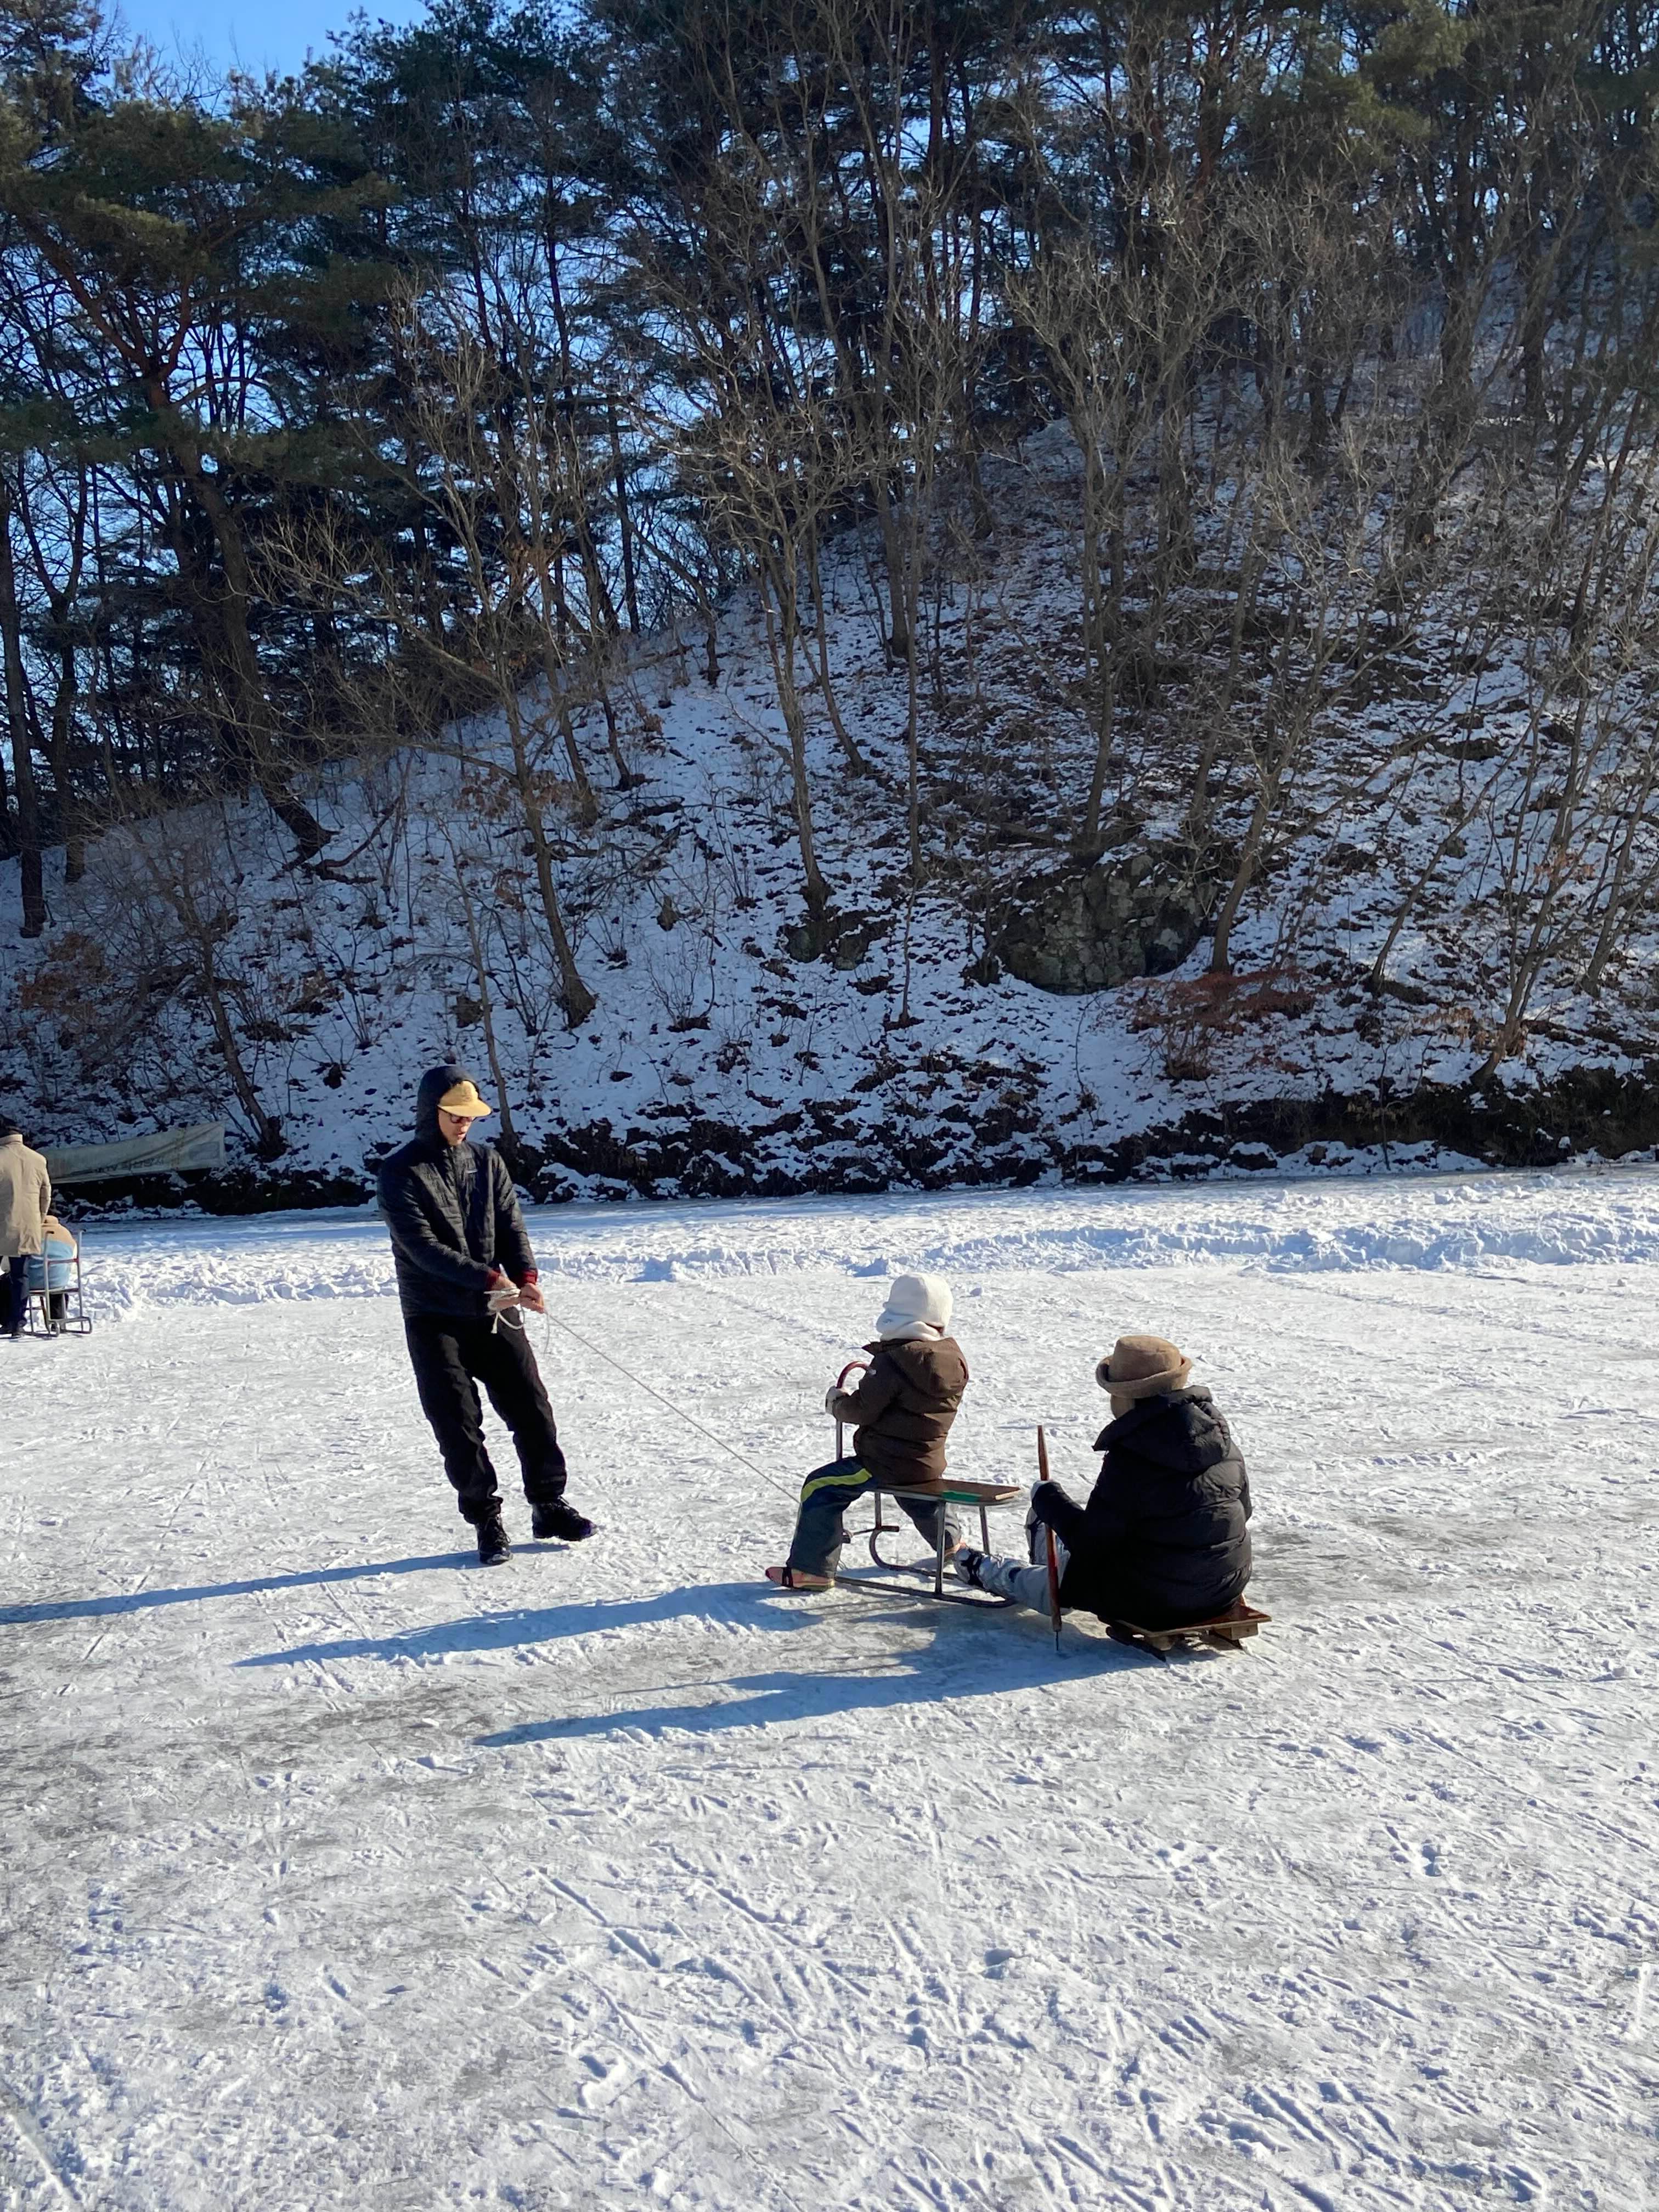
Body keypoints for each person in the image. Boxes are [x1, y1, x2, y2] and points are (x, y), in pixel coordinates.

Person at [377, 1064, 592, 1566]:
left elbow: (512, 1227)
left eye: (469, 1116)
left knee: (532, 1408)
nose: (463, 1124)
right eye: (454, 1115)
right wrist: (493, 1279)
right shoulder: (400, 1171)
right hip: (434, 1317)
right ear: (431, 1112)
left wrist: (527, 1278)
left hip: (496, 1311)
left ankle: (548, 1503)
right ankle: (486, 1519)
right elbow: (422, 1248)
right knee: (459, 1423)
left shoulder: (488, 1161)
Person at [956, 1334, 1251, 1628]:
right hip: (1223, 1590)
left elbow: (1091, 1542)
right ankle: (1041, 1543)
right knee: (1081, 1543)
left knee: (1067, 1583)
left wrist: (1048, 1498)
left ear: (1128, 1397)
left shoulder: (1133, 1458)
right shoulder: (1223, 1444)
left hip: (1153, 1601)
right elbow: (1243, 1512)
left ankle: (983, 1569)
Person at [766, 1273, 968, 1590]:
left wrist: (838, 1405)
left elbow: (862, 1409)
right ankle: (952, 1544)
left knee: (820, 1488)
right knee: (919, 1496)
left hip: (885, 1462)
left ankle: (812, 1569)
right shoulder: (952, 1358)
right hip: (927, 1462)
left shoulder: (894, 1362)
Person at [0, 1114, 50, 1342]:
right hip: (28, 1226)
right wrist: (37, 1219)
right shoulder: (38, 1159)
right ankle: (18, 1323)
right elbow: (46, 1195)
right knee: (21, 1275)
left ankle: (5, 1319)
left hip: (2, 1225)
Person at [37, 1214, 77, 1333]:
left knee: (9, 1283)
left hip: (31, 1281)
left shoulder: (30, 1232)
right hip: (57, 1280)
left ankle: (11, 1322)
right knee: (57, 1288)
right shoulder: (65, 1233)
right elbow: (73, 1260)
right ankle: (58, 1321)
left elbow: (7, 1265)